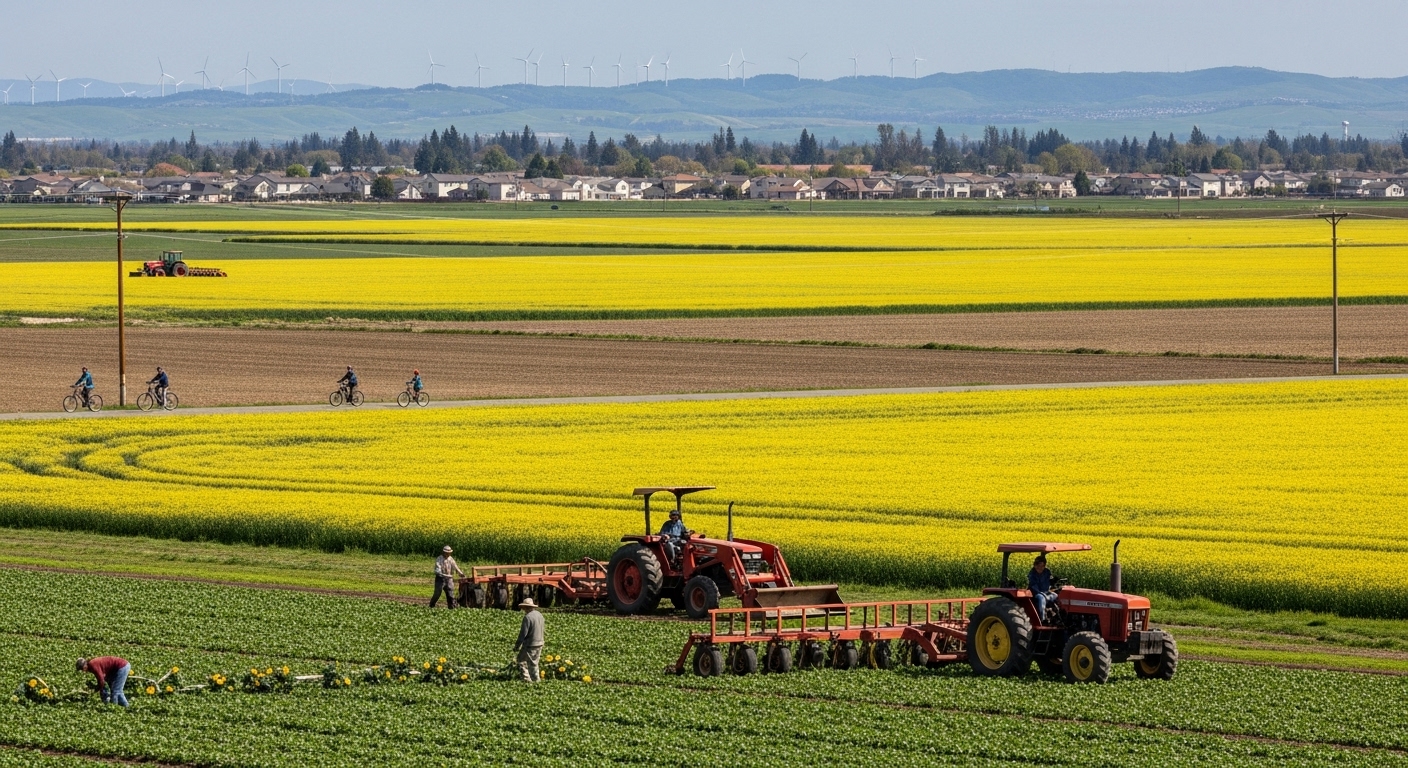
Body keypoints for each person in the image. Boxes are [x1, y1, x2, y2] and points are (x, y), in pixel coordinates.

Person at [514, 597, 545, 683]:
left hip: (531, 644)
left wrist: (517, 645)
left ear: (526, 608)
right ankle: (533, 680)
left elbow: (523, 634)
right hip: (540, 642)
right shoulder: (540, 615)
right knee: (535, 661)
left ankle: (529, 680)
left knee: (522, 660)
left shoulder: (527, 617)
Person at [1028, 555, 1059, 623]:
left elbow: (1050, 580)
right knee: (1041, 598)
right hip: (1035, 593)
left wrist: (1054, 581)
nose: (1040, 568)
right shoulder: (1032, 573)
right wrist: (1040, 592)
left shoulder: (1047, 572)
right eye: (1038, 566)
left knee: (1057, 596)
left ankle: (1058, 616)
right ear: (1035, 565)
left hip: (1046, 591)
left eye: (1042, 566)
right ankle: (1043, 619)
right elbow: (1033, 585)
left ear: (1044, 566)